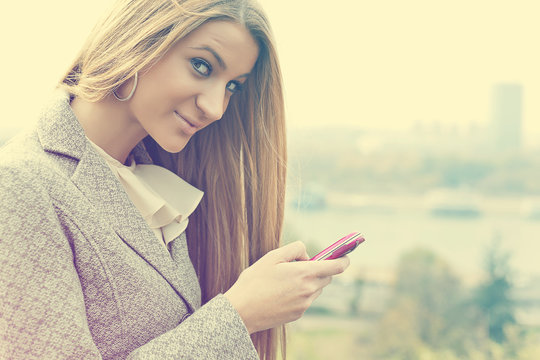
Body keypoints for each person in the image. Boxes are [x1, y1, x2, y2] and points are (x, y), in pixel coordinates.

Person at [0, 0, 350, 359]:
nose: (215, 108)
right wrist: (240, 315)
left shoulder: (154, 185)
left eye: (233, 86)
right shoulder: (19, 185)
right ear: (139, 40)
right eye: (202, 66)